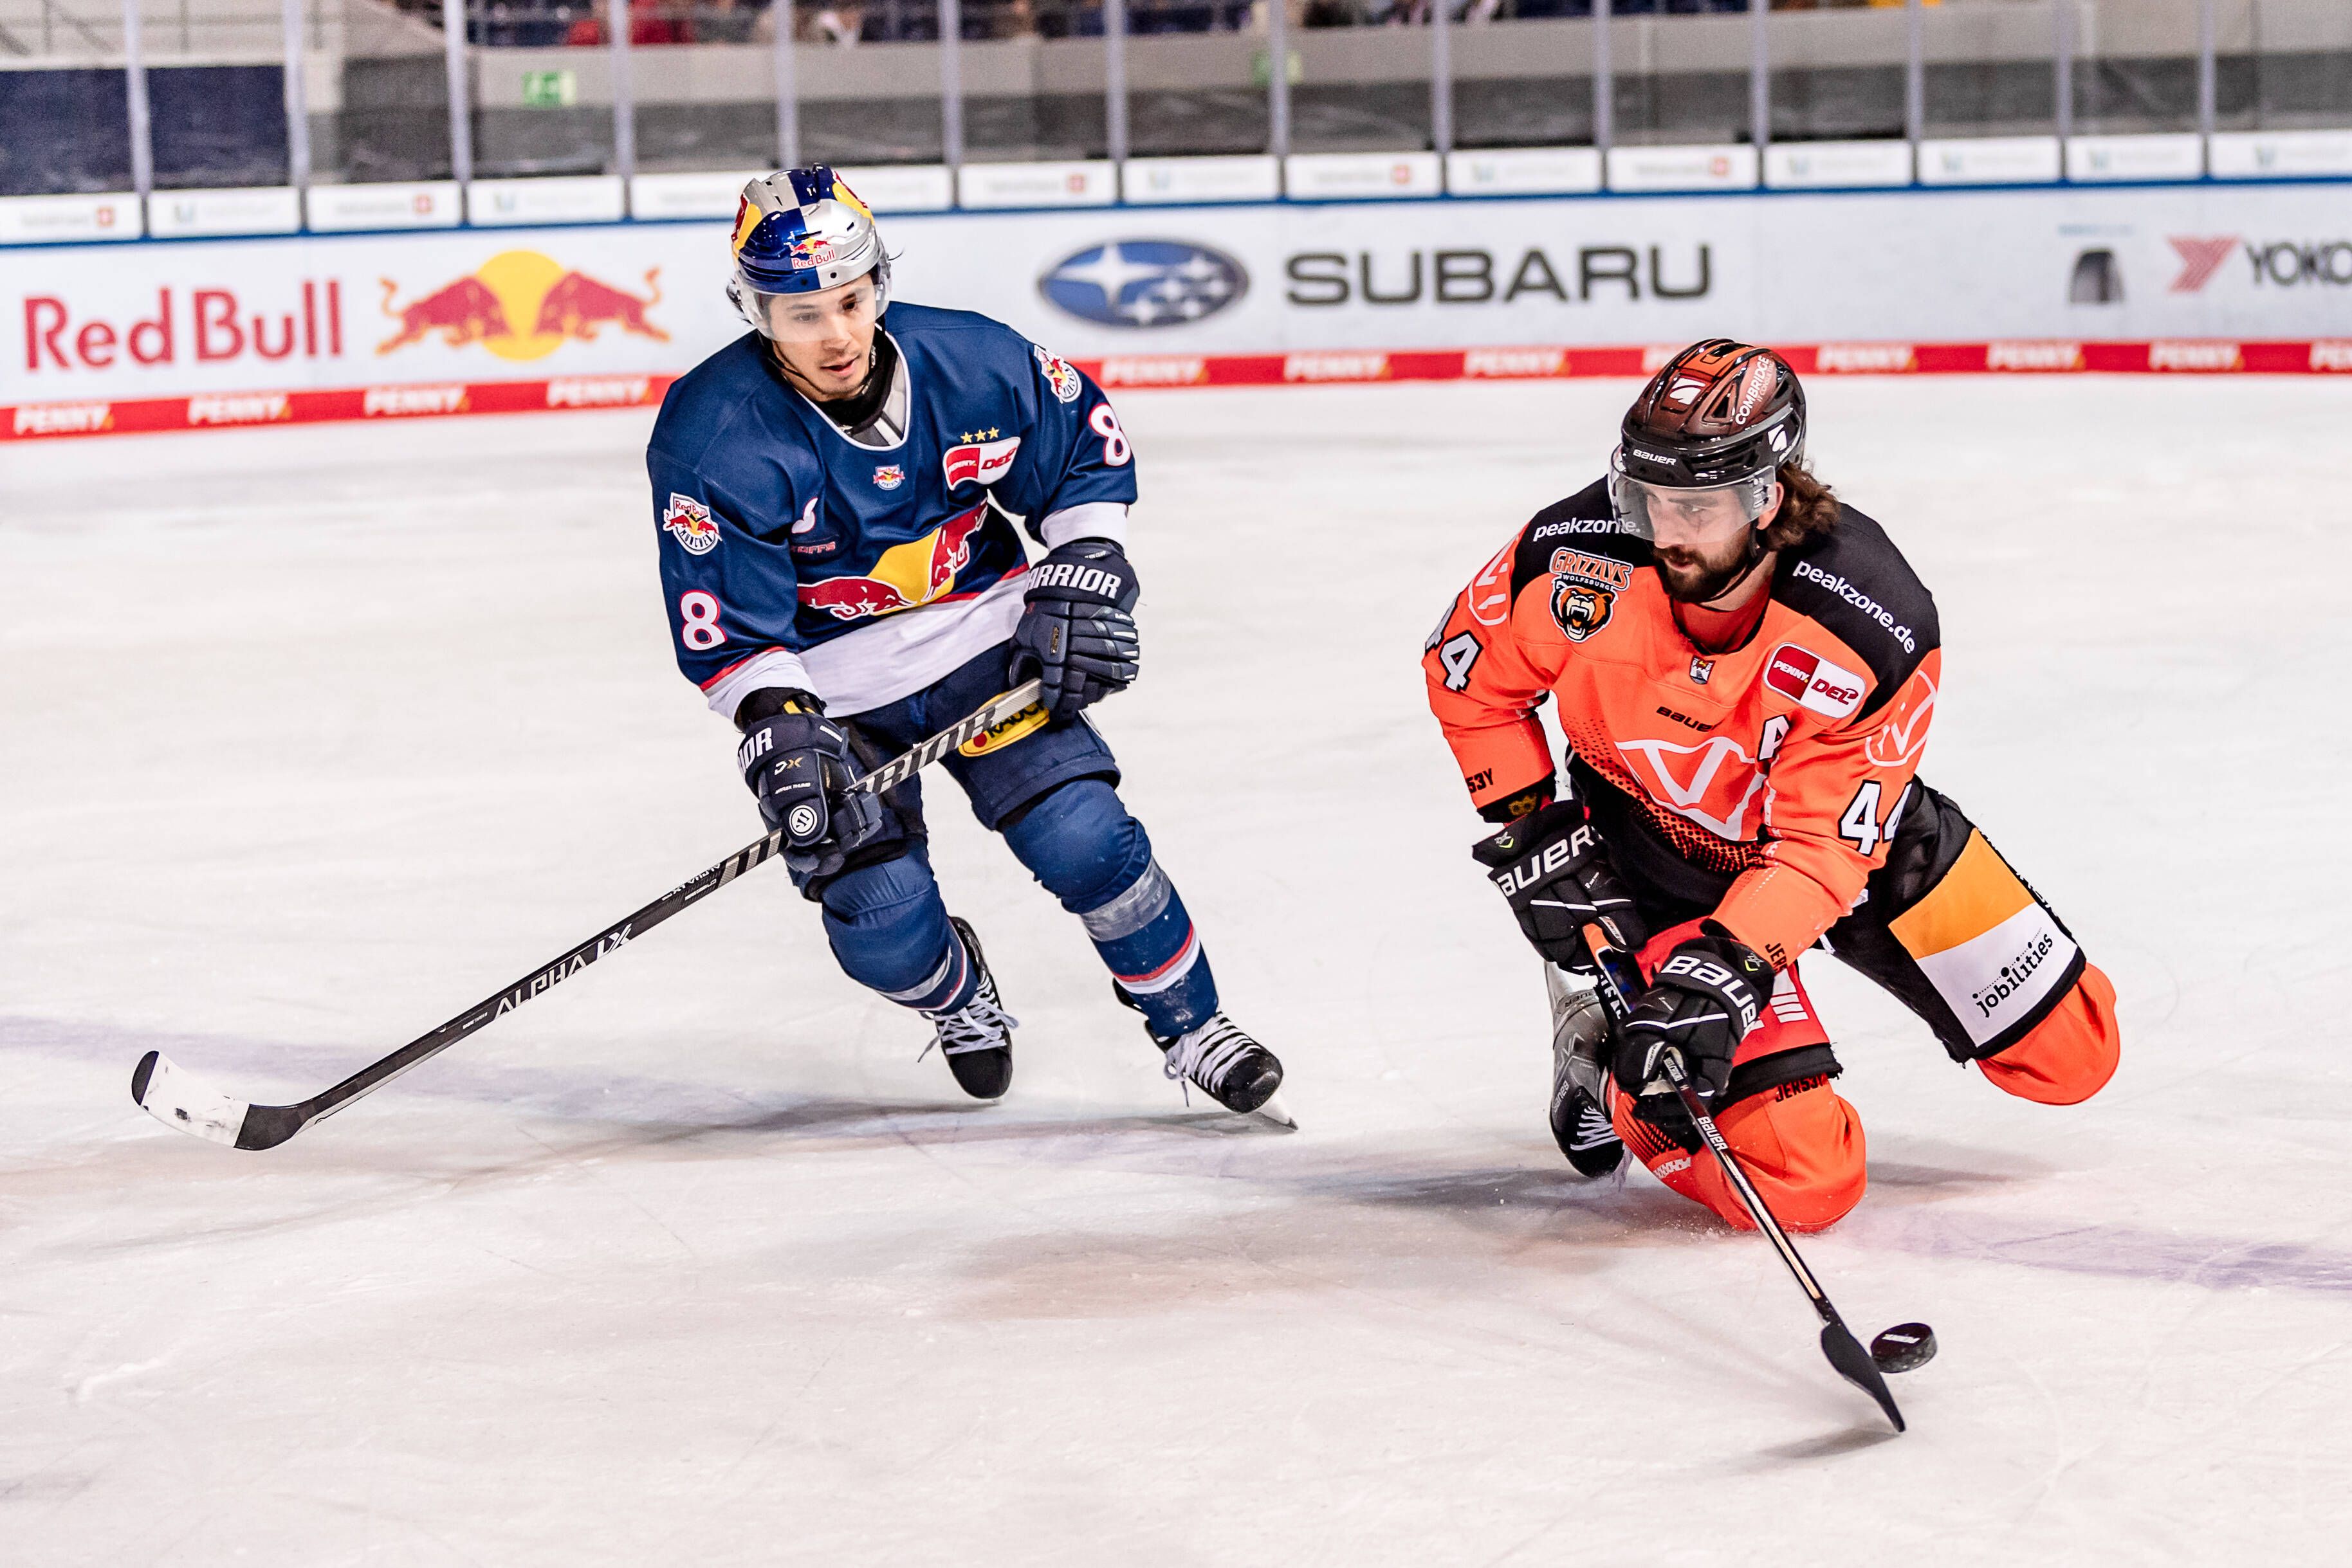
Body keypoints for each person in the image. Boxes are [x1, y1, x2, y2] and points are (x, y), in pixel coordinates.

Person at [1423, 340, 2120, 1232]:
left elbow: (1824, 845)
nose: (1663, 530)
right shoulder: (1572, 560)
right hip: (1655, 858)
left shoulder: (1871, 618)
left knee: (2076, 1051)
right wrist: (1533, 827)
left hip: (1838, 843)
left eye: (1696, 506)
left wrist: (1739, 962)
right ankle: (1601, 1057)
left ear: (1768, 496)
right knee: (1806, 1182)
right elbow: (1467, 680)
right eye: (1646, 498)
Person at [645, 167, 1285, 1117]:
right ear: (756, 311)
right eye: (801, 314)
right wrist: (777, 728)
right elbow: (729, 625)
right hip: (834, 696)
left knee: (1089, 841)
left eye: (852, 302)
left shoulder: (973, 361)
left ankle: (1192, 1026)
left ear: (879, 286)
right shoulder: (713, 436)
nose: (836, 335)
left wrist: (1083, 564)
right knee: (881, 927)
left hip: (986, 642)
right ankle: (956, 991)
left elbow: (1080, 451)